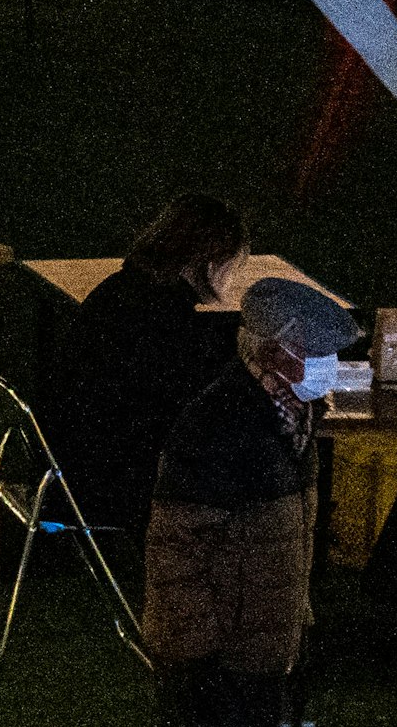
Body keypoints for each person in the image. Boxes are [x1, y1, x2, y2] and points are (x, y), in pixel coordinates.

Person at [147, 277, 363, 727]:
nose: (329, 367)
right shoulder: (215, 425)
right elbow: (177, 547)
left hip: (264, 643)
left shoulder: (297, 419)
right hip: (216, 655)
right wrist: (198, 648)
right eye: (317, 354)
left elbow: (292, 534)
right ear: (274, 354)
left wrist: (297, 616)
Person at [46, 195, 249, 539]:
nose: (233, 278)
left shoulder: (123, 290)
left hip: (70, 465)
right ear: (210, 261)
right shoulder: (164, 317)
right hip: (110, 481)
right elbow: (184, 412)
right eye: (234, 265)